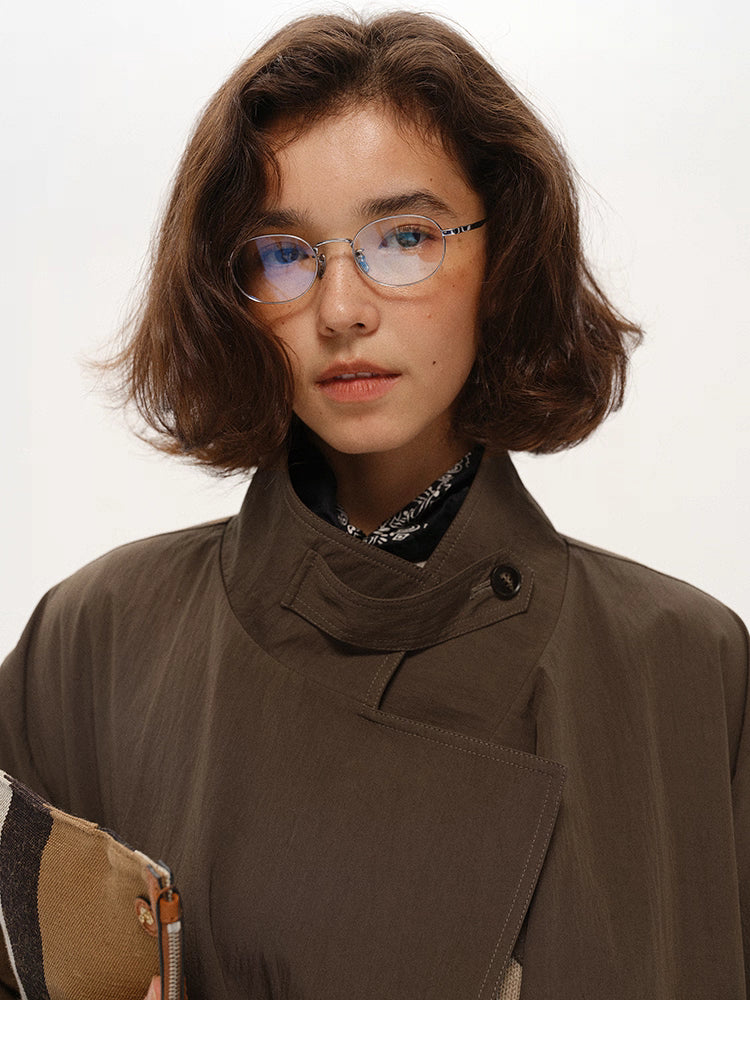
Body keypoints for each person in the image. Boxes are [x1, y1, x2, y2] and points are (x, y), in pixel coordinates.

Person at [0, 10, 747, 999]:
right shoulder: (93, 646)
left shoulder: (686, 667)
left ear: (503, 255)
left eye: (405, 238)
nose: (343, 308)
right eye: (282, 252)